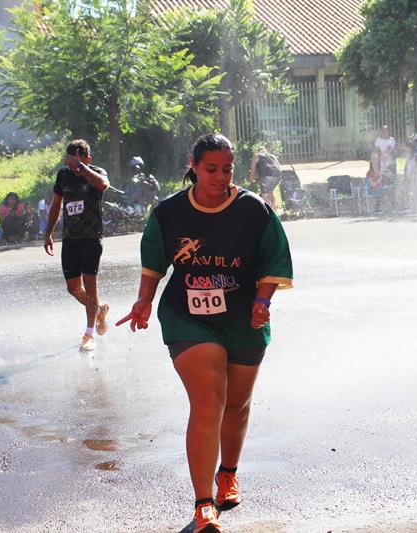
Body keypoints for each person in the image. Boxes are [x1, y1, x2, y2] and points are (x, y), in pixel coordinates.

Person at [116, 133, 292, 533]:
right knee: (209, 398)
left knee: (237, 404)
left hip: (243, 317)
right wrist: (144, 300)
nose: (220, 176)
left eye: (227, 168)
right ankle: (202, 506)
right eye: (211, 169)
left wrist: (263, 301)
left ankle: (227, 473)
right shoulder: (168, 212)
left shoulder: (253, 210)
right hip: (187, 316)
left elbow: (275, 259)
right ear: (193, 166)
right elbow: (153, 262)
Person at [44, 140, 111, 352]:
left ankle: (89, 333)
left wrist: (82, 169)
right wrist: (48, 234)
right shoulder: (63, 176)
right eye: (71, 161)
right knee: (73, 288)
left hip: (91, 237)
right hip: (71, 238)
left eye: (78, 160)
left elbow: (103, 185)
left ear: (88, 159)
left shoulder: (96, 172)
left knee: (91, 286)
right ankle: (99, 309)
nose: (73, 166)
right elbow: (56, 205)